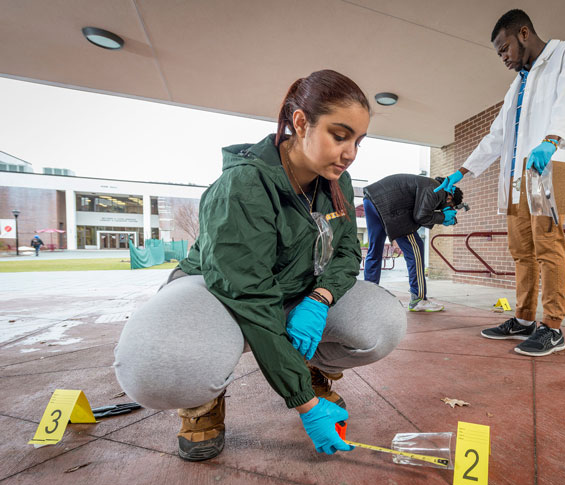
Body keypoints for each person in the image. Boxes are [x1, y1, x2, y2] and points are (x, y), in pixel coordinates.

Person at [114, 70, 407, 462]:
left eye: (358, 140)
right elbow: (249, 293)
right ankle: (202, 400)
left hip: (293, 288)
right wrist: (303, 401)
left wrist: (320, 298)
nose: (351, 151)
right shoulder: (244, 186)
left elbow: (347, 253)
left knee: (382, 323)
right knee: (162, 365)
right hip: (217, 289)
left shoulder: (339, 181)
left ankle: (308, 364)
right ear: (301, 122)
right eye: (340, 136)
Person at [435, 9, 565, 357]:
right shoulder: (517, 84)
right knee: (522, 251)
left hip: (552, 165)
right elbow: (496, 136)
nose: (504, 58)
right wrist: (462, 171)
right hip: (519, 176)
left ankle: (552, 327)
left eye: (505, 49)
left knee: (549, 246)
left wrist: (551, 140)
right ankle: (523, 320)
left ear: (523, 33)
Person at [362, 174, 463, 312]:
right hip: (390, 206)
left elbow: (420, 212)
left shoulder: (430, 184)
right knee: (416, 248)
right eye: (451, 206)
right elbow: (420, 216)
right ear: (450, 197)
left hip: (372, 199)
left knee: (375, 250)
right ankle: (418, 299)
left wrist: (441, 216)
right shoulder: (438, 189)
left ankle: (368, 296)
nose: (448, 209)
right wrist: (443, 217)